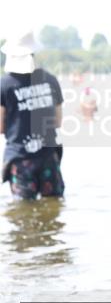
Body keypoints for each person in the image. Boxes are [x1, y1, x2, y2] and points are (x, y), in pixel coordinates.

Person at [1, 32, 65, 200]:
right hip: (48, 155)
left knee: (23, 210)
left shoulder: (4, 85)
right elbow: (58, 121)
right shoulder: (50, 79)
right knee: (53, 204)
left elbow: (0, 127)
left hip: (21, 159)